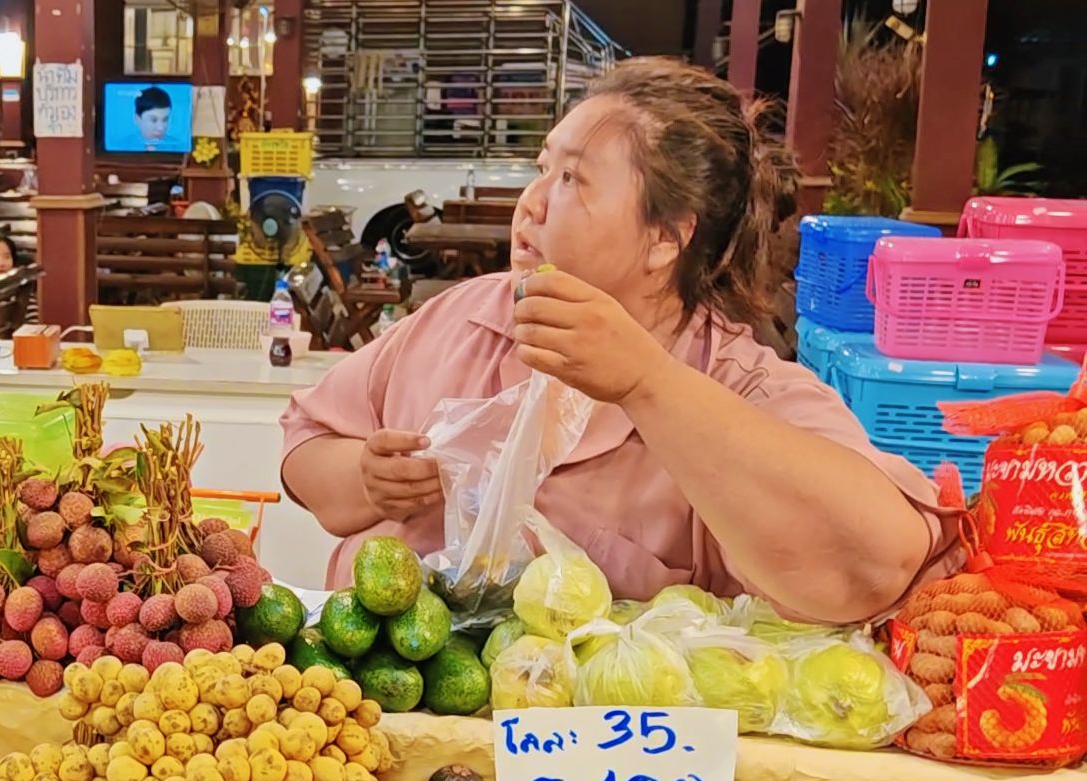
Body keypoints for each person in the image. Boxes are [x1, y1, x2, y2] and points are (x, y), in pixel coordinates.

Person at [278, 58, 957, 626]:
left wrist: (646, 383)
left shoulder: (739, 385)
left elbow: (876, 567)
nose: (532, 203)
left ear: (667, 238)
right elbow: (308, 448)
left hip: (611, 773)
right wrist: (368, 479)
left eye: (571, 179)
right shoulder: (462, 319)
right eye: (542, 168)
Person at [134, 86, 173, 150]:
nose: (160, 128)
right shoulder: (121, 147)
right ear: (138, 119)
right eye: (153, 120)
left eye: (165, 119)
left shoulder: (178, 146)